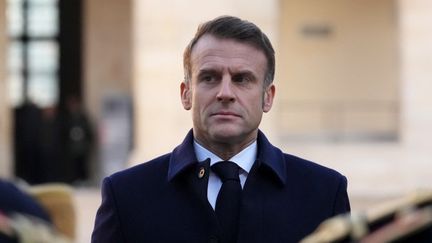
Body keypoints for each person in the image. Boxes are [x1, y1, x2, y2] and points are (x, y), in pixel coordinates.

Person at [91, 15, 350, 243]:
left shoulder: (324, 194)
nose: (225, 93)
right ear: (186, 94)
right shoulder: (125, 196)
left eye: (242, 79)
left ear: (268, 97)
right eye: (209, 77)